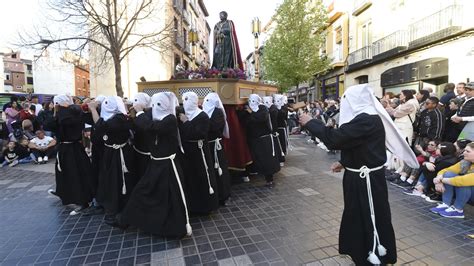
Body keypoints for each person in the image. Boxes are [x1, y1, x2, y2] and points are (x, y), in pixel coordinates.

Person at [299, 84, 418, 265]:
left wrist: (311, 122)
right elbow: (359, 145)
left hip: (367, 180)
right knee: (357, 215)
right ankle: (360, 253)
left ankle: (374, 256)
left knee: (370, 215)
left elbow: (335, 138)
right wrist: (345, 162)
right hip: (359, 177)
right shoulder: (365, 118)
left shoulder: (367, 120)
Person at [117, 92, 192, 237]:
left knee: (169, 196)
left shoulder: (170, 119)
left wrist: (139, 113)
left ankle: (172, 227)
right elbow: (144, 124)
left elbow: (152, 127)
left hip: (168, 166)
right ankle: (126, 219)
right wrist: (136, 110)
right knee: (142, 190)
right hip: (155, 164)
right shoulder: (154, 117)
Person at [88, 96, 136, 224]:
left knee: (117, 180)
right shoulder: (117, 117)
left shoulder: (118, 119)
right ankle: (112, 206)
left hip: (118, 154)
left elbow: (100, 127)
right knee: (110, 179)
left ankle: (118, 208)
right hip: (111, 153)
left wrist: (93, 110)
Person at [50, 95, 94, 216]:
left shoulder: (69, 114)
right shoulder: (68, 113)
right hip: (67, 148)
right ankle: (63, 192)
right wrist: (56, 112)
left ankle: (82, 201)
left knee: (75, 174)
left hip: (71, 148)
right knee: (63, 173)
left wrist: (59, 111)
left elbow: (63, 122)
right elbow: (50, 125)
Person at [179, 92, 219, 213]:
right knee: (189, 179)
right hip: (186, 152)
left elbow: (199, 133)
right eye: (184, 100)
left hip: (199, 151)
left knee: (201, 177)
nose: (186, 103)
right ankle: (191, 206)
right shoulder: (181, 114)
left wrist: (186, 122)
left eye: (188, 100)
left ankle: (205, 207)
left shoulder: (202, 116)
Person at [243, 94, 280, 187]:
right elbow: (246, 121)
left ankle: (269, 180)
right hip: (254, 139)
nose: (252, 102)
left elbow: (260, 119)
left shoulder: (263, 108)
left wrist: (251, 113)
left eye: (254, 100)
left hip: (264, 139)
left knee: (267, 160)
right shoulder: (246, 110)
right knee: (257, 159)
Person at [430, 142, 474, 219]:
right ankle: (446, 204)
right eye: (464, 150)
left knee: (463, 182)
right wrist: (439, 179)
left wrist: (441, 180)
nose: (464, 153)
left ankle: (458, 210)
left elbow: (464, 180)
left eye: (468, 151)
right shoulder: (466, 162)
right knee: (449, 174)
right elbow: (447, 170)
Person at [203, 92, 232, 205]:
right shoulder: (205, 112)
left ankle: (225, 195)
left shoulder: (218, 112)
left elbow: (214, 127)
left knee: (220, 171)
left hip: (216, 146)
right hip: (208, 146)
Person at [131, 92, 152, 180]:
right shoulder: (135, 114)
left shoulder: (150, 114)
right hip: (138, 151)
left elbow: (146, 127)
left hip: (147, 153)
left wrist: (139, 113)